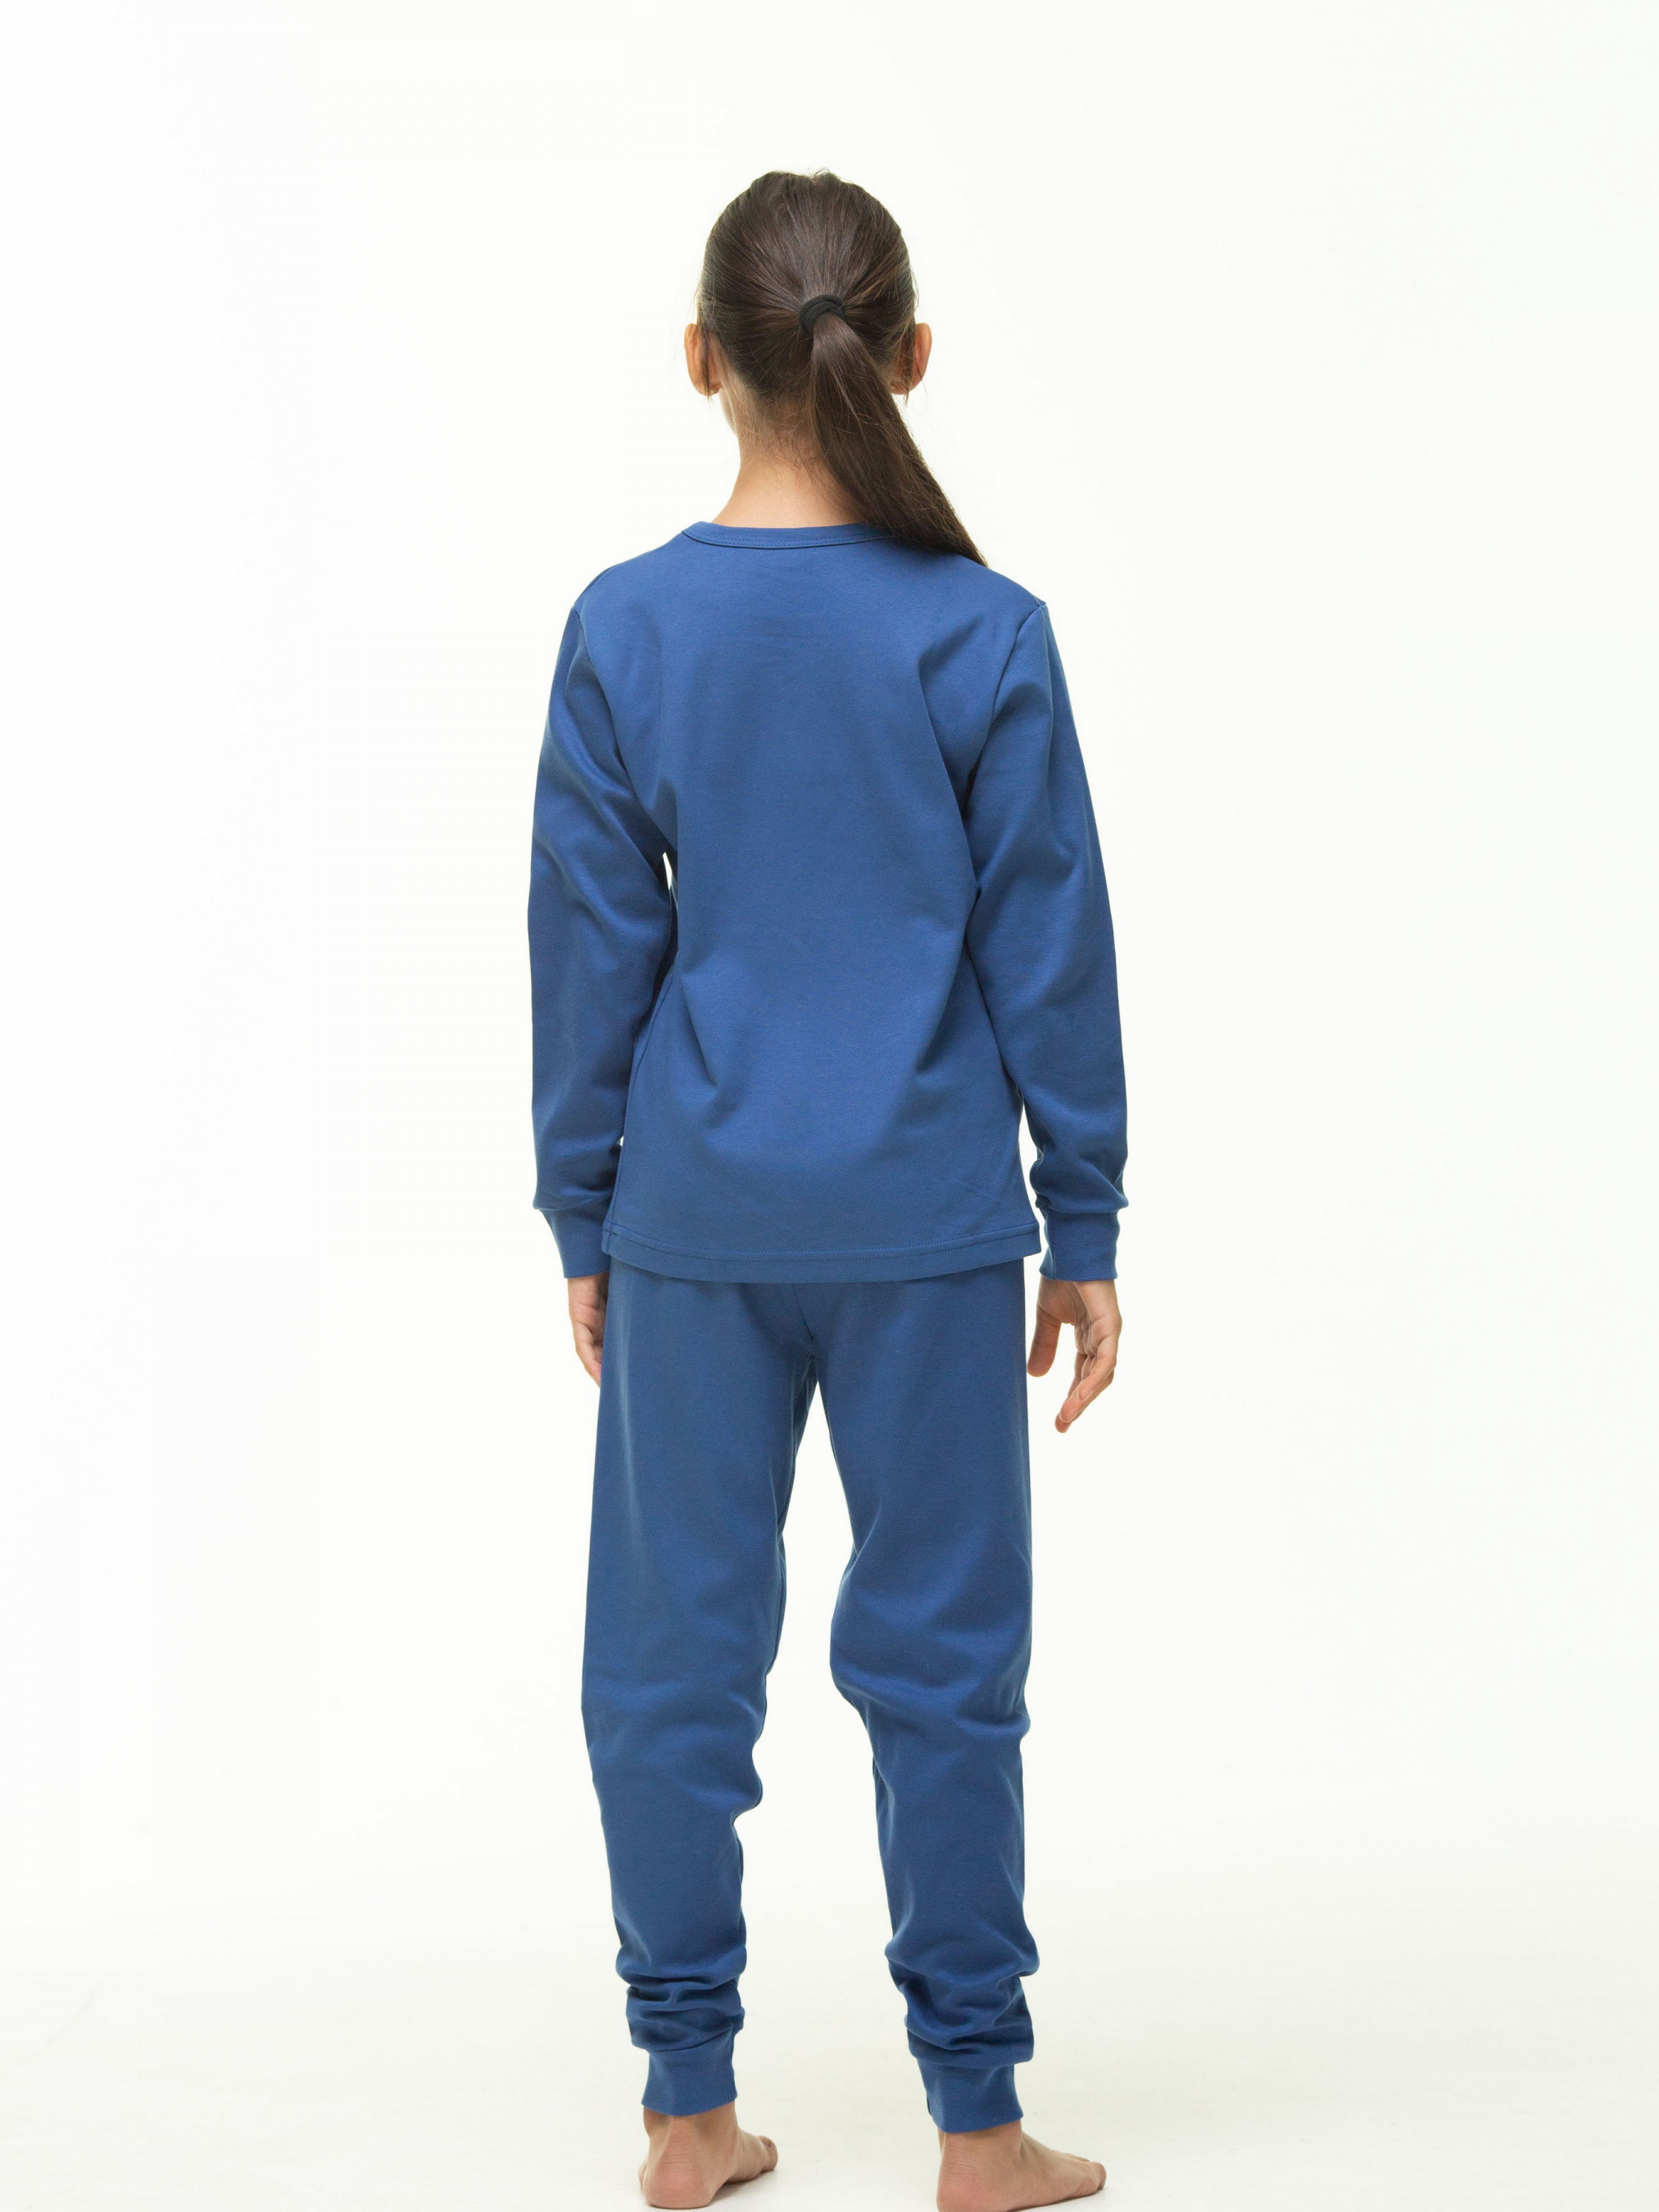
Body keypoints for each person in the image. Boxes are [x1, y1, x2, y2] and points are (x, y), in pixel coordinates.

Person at [528, 170, 1126, 2212]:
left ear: (699, 359)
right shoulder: (982, 630)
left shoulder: (625, 627)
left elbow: (589, 947)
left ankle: (686, 2109)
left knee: (666, 1674)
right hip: (929, 1229)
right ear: (909, 357)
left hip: (694, 1224)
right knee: (943, 1677)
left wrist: (581, 1212)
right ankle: (976, 2125)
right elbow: (1049, 945)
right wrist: (1084, 1222)